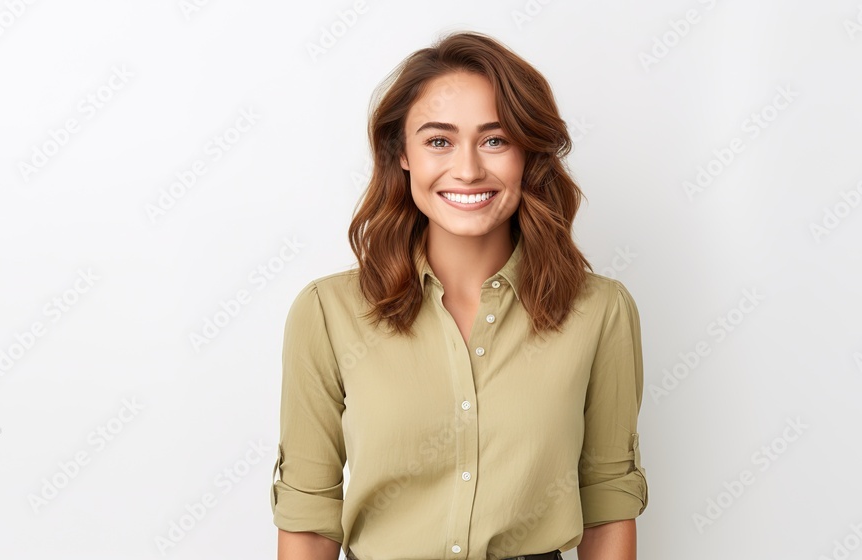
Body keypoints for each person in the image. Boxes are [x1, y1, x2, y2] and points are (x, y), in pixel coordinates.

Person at [271, 31, 648, 560]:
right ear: (401, 154)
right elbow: (309, 516)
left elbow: (608, 503)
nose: (468, 169)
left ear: (527, 153)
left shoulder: (600, 312)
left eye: (495, 140)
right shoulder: (327, 314)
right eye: (439, 141)